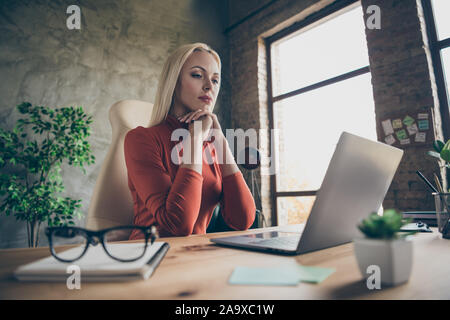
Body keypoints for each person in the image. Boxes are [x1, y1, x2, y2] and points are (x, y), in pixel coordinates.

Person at [124, 43, 256, 239]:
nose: (209, 86)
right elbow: (177, 226)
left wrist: (220, 141)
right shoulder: (141, 139)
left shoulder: (211, 146)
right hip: (150, 257)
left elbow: (242, 220)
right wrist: (194, 139)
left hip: (194, 255)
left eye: (215, 80)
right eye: (197, 75)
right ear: (174, 82)